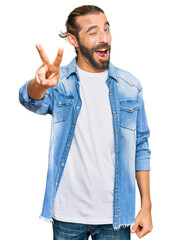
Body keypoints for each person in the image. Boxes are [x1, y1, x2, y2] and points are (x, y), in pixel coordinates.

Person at [19, 5, 153, 240]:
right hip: (67, 212)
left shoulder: (129, 86)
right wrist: (39, 83)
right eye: (93, 32)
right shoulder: (60, 82)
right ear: (73, 39)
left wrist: (147, 206)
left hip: (116, 215)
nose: (104, 39)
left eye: (106, 29)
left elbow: (141, 147)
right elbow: (30, 100)